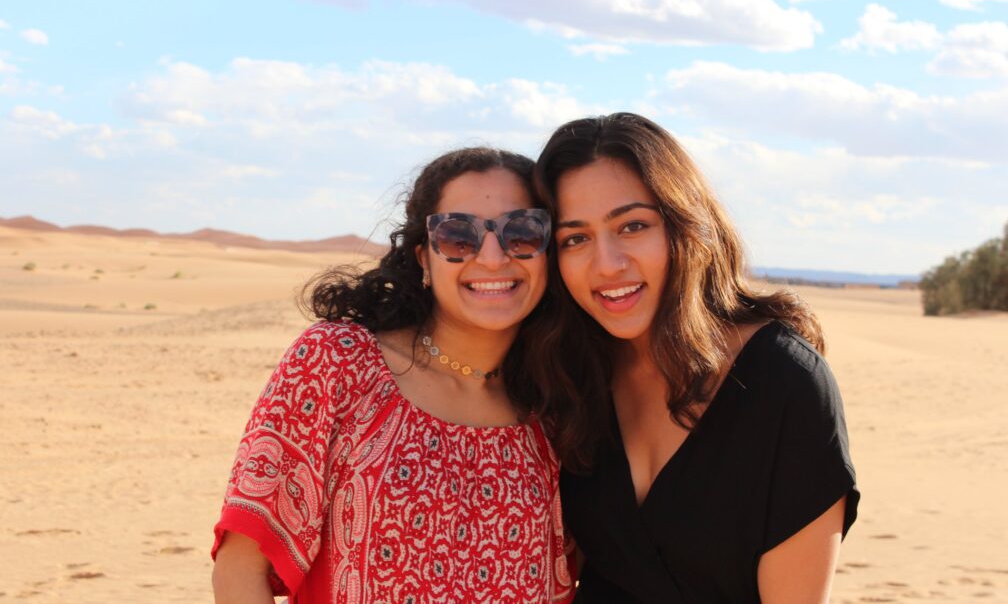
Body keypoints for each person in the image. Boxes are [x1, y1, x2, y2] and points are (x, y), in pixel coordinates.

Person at [211, 148, 575, 603]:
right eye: (458, 237)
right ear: (424, 257)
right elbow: (241, 567)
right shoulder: (339, 363)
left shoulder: (556, 408)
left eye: (521, 232)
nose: (493, 257)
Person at [530, 113, 859, 603]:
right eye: (574, 238)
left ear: (685, 227)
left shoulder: (784, 383)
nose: (607, 264)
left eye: (633, 225)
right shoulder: (570, 374)